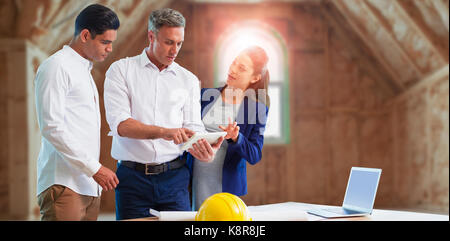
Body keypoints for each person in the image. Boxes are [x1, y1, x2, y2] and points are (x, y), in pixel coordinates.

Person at [104, 8, 223, 220]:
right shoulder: (120, 70)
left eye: (179, 43)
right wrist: (165, 132)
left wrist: (205, 148)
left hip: (175, 180)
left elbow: (193, 126)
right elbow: (121, 125)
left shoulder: (188, 80)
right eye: (169, 42)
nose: (174, 50)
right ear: (151, 36)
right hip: (132, 180)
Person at [34, 4, 120, 221]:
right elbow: (51, 128)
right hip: (64, 184)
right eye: (105, 42)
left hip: (88, 186)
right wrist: (95, 168)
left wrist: (93, 174)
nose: (109, 49)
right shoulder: (56, 66)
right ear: (85, 35)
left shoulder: (84, 71)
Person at [188, 46, 270, 210]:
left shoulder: (256, 109)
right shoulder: (205, 95)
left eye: (241, 68)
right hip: (190, 183)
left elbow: (254, 155)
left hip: (225, 189)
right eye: (234, 63)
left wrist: (236, 137)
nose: (233, 69)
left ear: (254, 78)